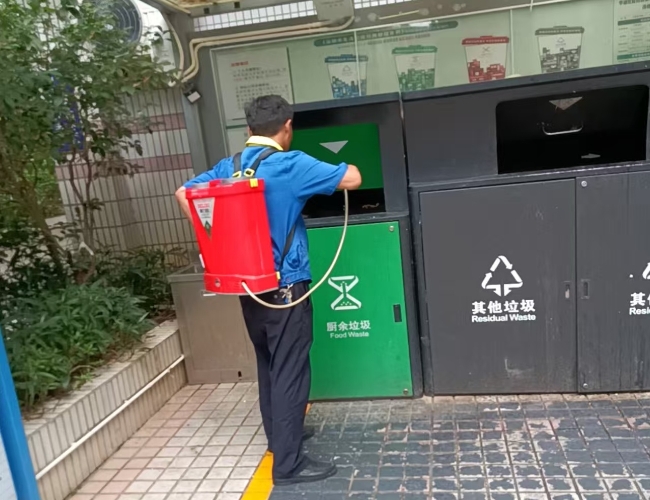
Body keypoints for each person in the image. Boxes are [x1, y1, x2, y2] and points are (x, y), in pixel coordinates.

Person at [175, 95, 362, 485]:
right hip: (287, 289)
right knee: (291, 371)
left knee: (269, 364)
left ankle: (281, 440)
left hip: (250, 286)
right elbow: (353, 178)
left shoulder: (230, 166)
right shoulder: (291, 164)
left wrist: (215, 235)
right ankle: (288, 466)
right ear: (287, 126)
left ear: (248, 129)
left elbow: (183, 193)